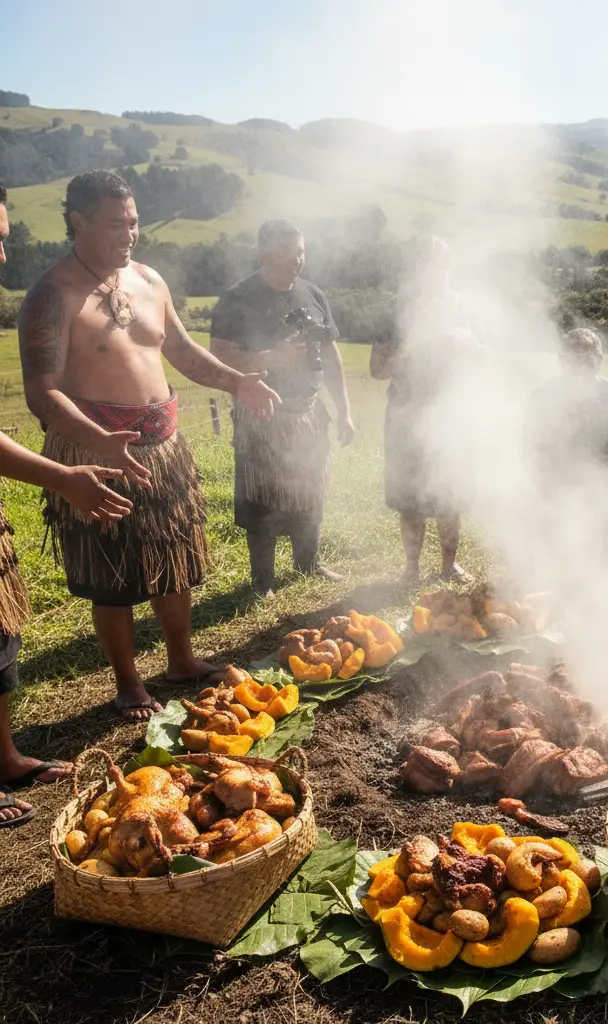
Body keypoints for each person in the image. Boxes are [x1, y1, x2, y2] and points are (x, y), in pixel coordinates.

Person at [17, 170, 279, 722]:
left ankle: (181, 660)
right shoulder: (52, 292)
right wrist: (96, 440)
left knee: (175, 559)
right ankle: (129, 682)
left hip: (164, 447)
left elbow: (180, 351)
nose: (129, 234)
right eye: (116, 224)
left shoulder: (150, 280)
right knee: (111, 576)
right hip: (93, 451)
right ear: (78, 222)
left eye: (134, 222)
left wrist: (239, 381)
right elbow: (43, 394)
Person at [1, 179, 136, 827]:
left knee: (2, 635)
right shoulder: (50, 295)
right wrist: (65, 475)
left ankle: (2, 756)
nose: (3, 256)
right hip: (72, 462)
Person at [210, 219, 355, 597]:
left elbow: (331, 355)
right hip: (262, 414)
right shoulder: (237, 298)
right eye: (288, 253)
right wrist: (274, 357)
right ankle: (263, 581)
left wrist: (345, 411)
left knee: (311, 488)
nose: (297, 261)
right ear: (264, 253)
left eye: (301, 252)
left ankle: (309, 563)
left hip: (308, 412)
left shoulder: (313, 294)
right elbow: (220, 357)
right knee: (262, 496)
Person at [370, 238, 477, 585]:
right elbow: (377, 368)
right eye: (426, 266)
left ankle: (449, 566)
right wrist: (420, 345)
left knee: (451, 493)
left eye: (441, 266)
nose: (434, 274)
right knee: (409, 496)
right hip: (405, 415)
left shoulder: (463, 308)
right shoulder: (393, 311)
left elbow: (484, 357)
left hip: (453, 415)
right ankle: (411, 569)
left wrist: (466, 344)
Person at [526, 327, 608, 554]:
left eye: (586, 359)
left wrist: (595, 495)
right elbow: (533, 454)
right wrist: (555, 493)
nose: (578, 366)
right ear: (560, 361)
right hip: (554, 491)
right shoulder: (540, 399)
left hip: (605, 492)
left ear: (599, 360)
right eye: (571, 359)